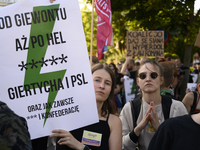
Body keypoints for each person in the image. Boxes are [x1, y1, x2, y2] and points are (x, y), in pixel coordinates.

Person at [119, 58, 188, 150]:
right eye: (143, 76)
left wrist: (160, 129)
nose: (148, 79)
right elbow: (120, 145)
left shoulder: (177, 107)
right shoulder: (129, 108)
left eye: (153, 75)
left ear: (161, 80)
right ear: (138, 81)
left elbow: (184, 144)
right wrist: (137, 130)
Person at [50, 63, 122, 150]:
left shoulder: (114, 122)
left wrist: (81, 147)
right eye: (97, 80)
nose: (102, 86)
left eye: (107, 83)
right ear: (86, 82)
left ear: (111, 90)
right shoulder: (68, 116)